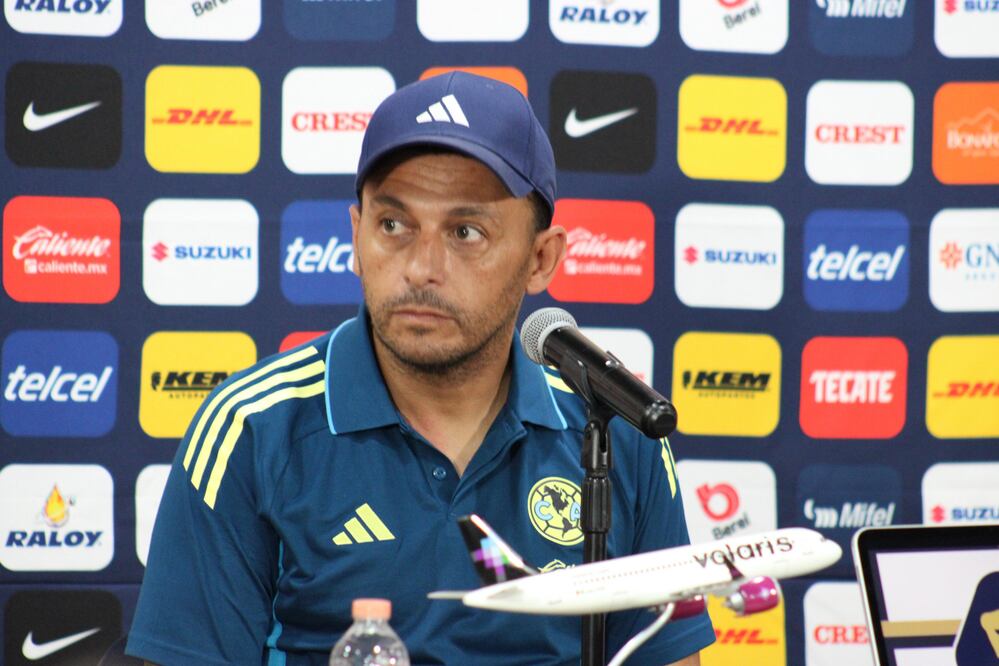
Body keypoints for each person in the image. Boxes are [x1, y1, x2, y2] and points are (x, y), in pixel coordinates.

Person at [126, 71, 715, 666]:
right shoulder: (253, 430)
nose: (420, 267)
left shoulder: (615, 433)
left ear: (542, 259)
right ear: (355, 237)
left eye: (465, 232)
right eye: (393, 225)